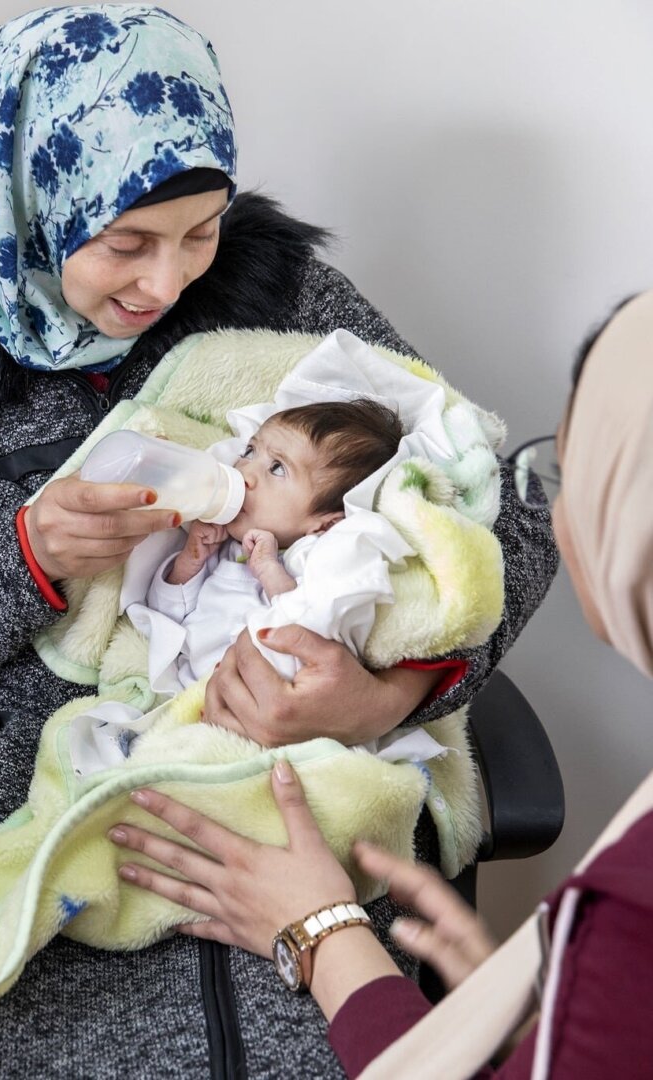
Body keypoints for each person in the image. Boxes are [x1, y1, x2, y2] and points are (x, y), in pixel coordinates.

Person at [0, 6, 556, 1076]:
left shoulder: (289, 303)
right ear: (29, 208)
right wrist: (26, 559)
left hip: (267, 789)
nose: (167, 285)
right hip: (11, 812)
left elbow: (500, 502)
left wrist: (393, 694)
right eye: (127, 243)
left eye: (203, 232)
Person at [110, 292, 653, 1075]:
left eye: (573, 474)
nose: (558, 515)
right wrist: (528, 1016)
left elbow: (487, 542)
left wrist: (322, 930)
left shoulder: (628, 919)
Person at [149, 399, 403, 690]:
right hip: (188, 691)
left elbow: (310, 632)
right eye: (249, 451)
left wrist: (269, 571)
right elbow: (164, 620)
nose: (245, 473)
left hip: (259, 705)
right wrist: (189, 562)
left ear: (325, 524)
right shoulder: (222, 545)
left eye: (277, 468)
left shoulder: (311, 561)